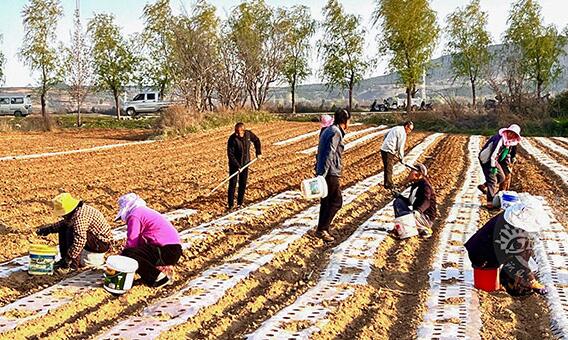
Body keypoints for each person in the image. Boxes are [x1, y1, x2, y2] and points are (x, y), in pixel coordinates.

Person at [465, 197, 548, 296]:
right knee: (493, 284)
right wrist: (531, 281)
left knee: (523, 253)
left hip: (481, 248)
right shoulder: (515, 234)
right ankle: (513, 288)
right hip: (483, 256)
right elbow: (520, 261)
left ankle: (505, 280)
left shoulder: (509, 217)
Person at [116, 193, 182, 288]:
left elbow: (132, 242)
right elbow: (141, 243)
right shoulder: (143, 212)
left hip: (166, 250)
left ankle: (158, 278)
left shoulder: (134, 216)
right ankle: (157, 274)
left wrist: (121, 260)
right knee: (136, 253)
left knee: (129, 253)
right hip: (173, 250)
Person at [36, 193, 112, 270]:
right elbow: (64, 223)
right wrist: (48, 229)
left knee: (71, 231)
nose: (62, 216)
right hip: (93, 238)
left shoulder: (80, 218)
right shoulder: (76, 211)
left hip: (101, 243)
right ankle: (65, 260)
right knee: (64, 227)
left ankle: (72, 265)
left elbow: (80, 241)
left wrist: (69, 258)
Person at [315, 108, 350, 242]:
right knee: (336, 201)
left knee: (326, 201)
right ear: (345, 121)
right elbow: (330, 153)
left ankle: (322, 229)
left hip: (325, 171)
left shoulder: (328, 130)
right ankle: (323, 229)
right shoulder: (335, 133)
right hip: (330, 172)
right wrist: (323, 174)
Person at [477, 124, 521, 209]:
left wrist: (511, 160)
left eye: (514, 134)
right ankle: (490, 203)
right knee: (492, 181)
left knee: (502, 177)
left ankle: (485, 187)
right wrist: (493, 167)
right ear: (507, 131)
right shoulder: (500, 140)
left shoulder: (509, 142)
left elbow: (509, 153)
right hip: (487, 159)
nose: (511, 135)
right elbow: (494, 154)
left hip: (495, 160)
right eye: (510, 133)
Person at [393, 163, 436, 238]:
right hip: (416, 214)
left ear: (418, 174)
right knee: (398, 202)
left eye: (412, 171)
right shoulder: (415, 185)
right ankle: (407, 227)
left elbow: (427, 202)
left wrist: (418, 211)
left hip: (425, 217)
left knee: (406, 215)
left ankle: (424, 229)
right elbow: (410, 202)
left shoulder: (425, 186)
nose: (409, 173)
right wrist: (399, 196)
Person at [227, 122, 262, 210]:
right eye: (235, 131)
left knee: (243, 183)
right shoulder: (232, 139)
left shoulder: (248, 135)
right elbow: (230, 155)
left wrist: (258, 152)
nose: (236, 133)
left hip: (245, 163)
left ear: (243, 131)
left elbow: (257, 141)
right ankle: (230, 204)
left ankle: (240, 203)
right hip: (234, 164)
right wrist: (237, 166)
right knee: (233, 184)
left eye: (238, 132)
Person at [380, 121, 414, 189]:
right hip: (388, 150)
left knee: (388, 167)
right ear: (406, 126)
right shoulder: (402, 133)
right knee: (389, 168)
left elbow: (386, 135)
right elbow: (400, 146)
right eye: (410, 129)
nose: (409, 131)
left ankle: (387, 183)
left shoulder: (396, 128)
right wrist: (401, 158)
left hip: (384, 149)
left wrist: (385, 143)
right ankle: (388, 184)